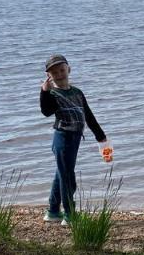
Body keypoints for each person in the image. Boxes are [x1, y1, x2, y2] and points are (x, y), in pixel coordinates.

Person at [39, 53, 107, 223]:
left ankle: (53, 211)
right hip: (62, 138)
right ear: (49, 76)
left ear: (68, 69)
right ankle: (70, 214)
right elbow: (46, 111)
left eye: (62, 70)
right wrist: (44, 92)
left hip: (75, 139)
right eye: (54, 73)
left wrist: (101, 136)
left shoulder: (77, 92)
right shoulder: (53, 94)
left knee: (61, 175)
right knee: (68, 177)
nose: (59, 75)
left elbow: (88, 116)